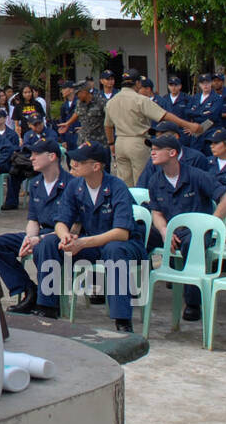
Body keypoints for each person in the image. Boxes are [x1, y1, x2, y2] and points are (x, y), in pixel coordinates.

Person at [31, 142, 143, 332]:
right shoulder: (75, 186)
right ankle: (47, 308)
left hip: (123, 245)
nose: (73, 164)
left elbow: (122, 232)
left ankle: (122, 320)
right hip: (90, 244)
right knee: (49, 242)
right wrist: (65, 236)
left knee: (114, 250)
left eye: (79, 161)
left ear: (96, 166)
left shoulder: (117, 187)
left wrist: (82, 242)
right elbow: (61, 220)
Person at [144, 130, 226, 322]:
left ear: (172, 153)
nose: (152, 153)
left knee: (193, 242)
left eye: (158, 149)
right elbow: (157, 212)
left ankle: (193, 303)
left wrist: (209, 224)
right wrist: (164, 231)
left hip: (196, 232)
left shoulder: (196, 175)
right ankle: (133, 288)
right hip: (170, 229)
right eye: (152, 149)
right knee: (137, 235)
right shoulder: (155, 180)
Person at [0, 139, 70, 314]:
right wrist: (29, 238)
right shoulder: (36, 184)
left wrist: (38, 239)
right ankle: (28, 289)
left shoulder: (71, 184)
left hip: (61, 236)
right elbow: (33, 220)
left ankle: (48, 304)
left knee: (45, 246)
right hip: (39, 233)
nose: (31, 158)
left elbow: (73, 227)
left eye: (36, 154)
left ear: (51, 157)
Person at [104, 69, 200, 188]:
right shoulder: (139, 99)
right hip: (137, 142)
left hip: (120, 142)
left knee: (125, 183)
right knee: (142, 181)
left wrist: (111, 143)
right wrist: (189, 125)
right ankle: (142, 206)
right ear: (138, 83)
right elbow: (164, 115)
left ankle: (128, 206)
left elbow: (107, 125)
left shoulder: (112, 101)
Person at [185, 73, 224, 154]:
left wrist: (195, 114)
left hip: (210, 132)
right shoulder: (195, 97)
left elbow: (212, 116)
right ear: (199, 85)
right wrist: (202, 113)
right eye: (203, 83)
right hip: (196, 134)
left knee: (210, 157)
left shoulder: (217, 98)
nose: (205, 85)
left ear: (211, 83)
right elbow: (187, 112)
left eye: (207, 83)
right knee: (196, 157)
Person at [75, 84, 108, 149]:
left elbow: (110, 119)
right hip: (83, 142)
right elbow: (76, 113)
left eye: (78, 94)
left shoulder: (101, 102)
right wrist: (68, 123)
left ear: (84, 92)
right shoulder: (79, 103)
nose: (77, 96)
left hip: (99, 142)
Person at [54, 79, 79, 146]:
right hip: (68, 137)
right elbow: (62, 122)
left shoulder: (79, 103)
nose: (62, 91)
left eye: (64, 88)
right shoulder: (64, 106)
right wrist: (63, 140)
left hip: (79, 136)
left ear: (71, 89)